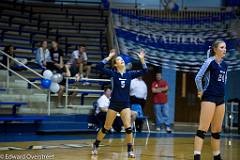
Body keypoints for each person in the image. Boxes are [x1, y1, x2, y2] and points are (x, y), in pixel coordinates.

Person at [92, 49, 147, 158]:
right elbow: (99, 67)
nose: (121, 60)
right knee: (106, 127)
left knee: (128, 127)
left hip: (125, 104)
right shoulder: (113, 73)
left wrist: (142, 59)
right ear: (116, 64)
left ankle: (130, 150)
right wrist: (109, 56)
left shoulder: (129, 74)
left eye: (121, 59)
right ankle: (96, 144)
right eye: (118, 59)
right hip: (114, 104)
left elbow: (144, 71)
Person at [194, 40, 228, 160]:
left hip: (220, 98)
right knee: (203, 128)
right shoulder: (209, 62)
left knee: (217, 130)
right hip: (209, 97)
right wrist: (200, 91)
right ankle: (197, 156)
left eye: (225, 48)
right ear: (215, 49)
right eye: (222, 47)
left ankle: (217, 156)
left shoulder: (225, 65)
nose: (225, 50)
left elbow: (224, 81)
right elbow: (198, 77)